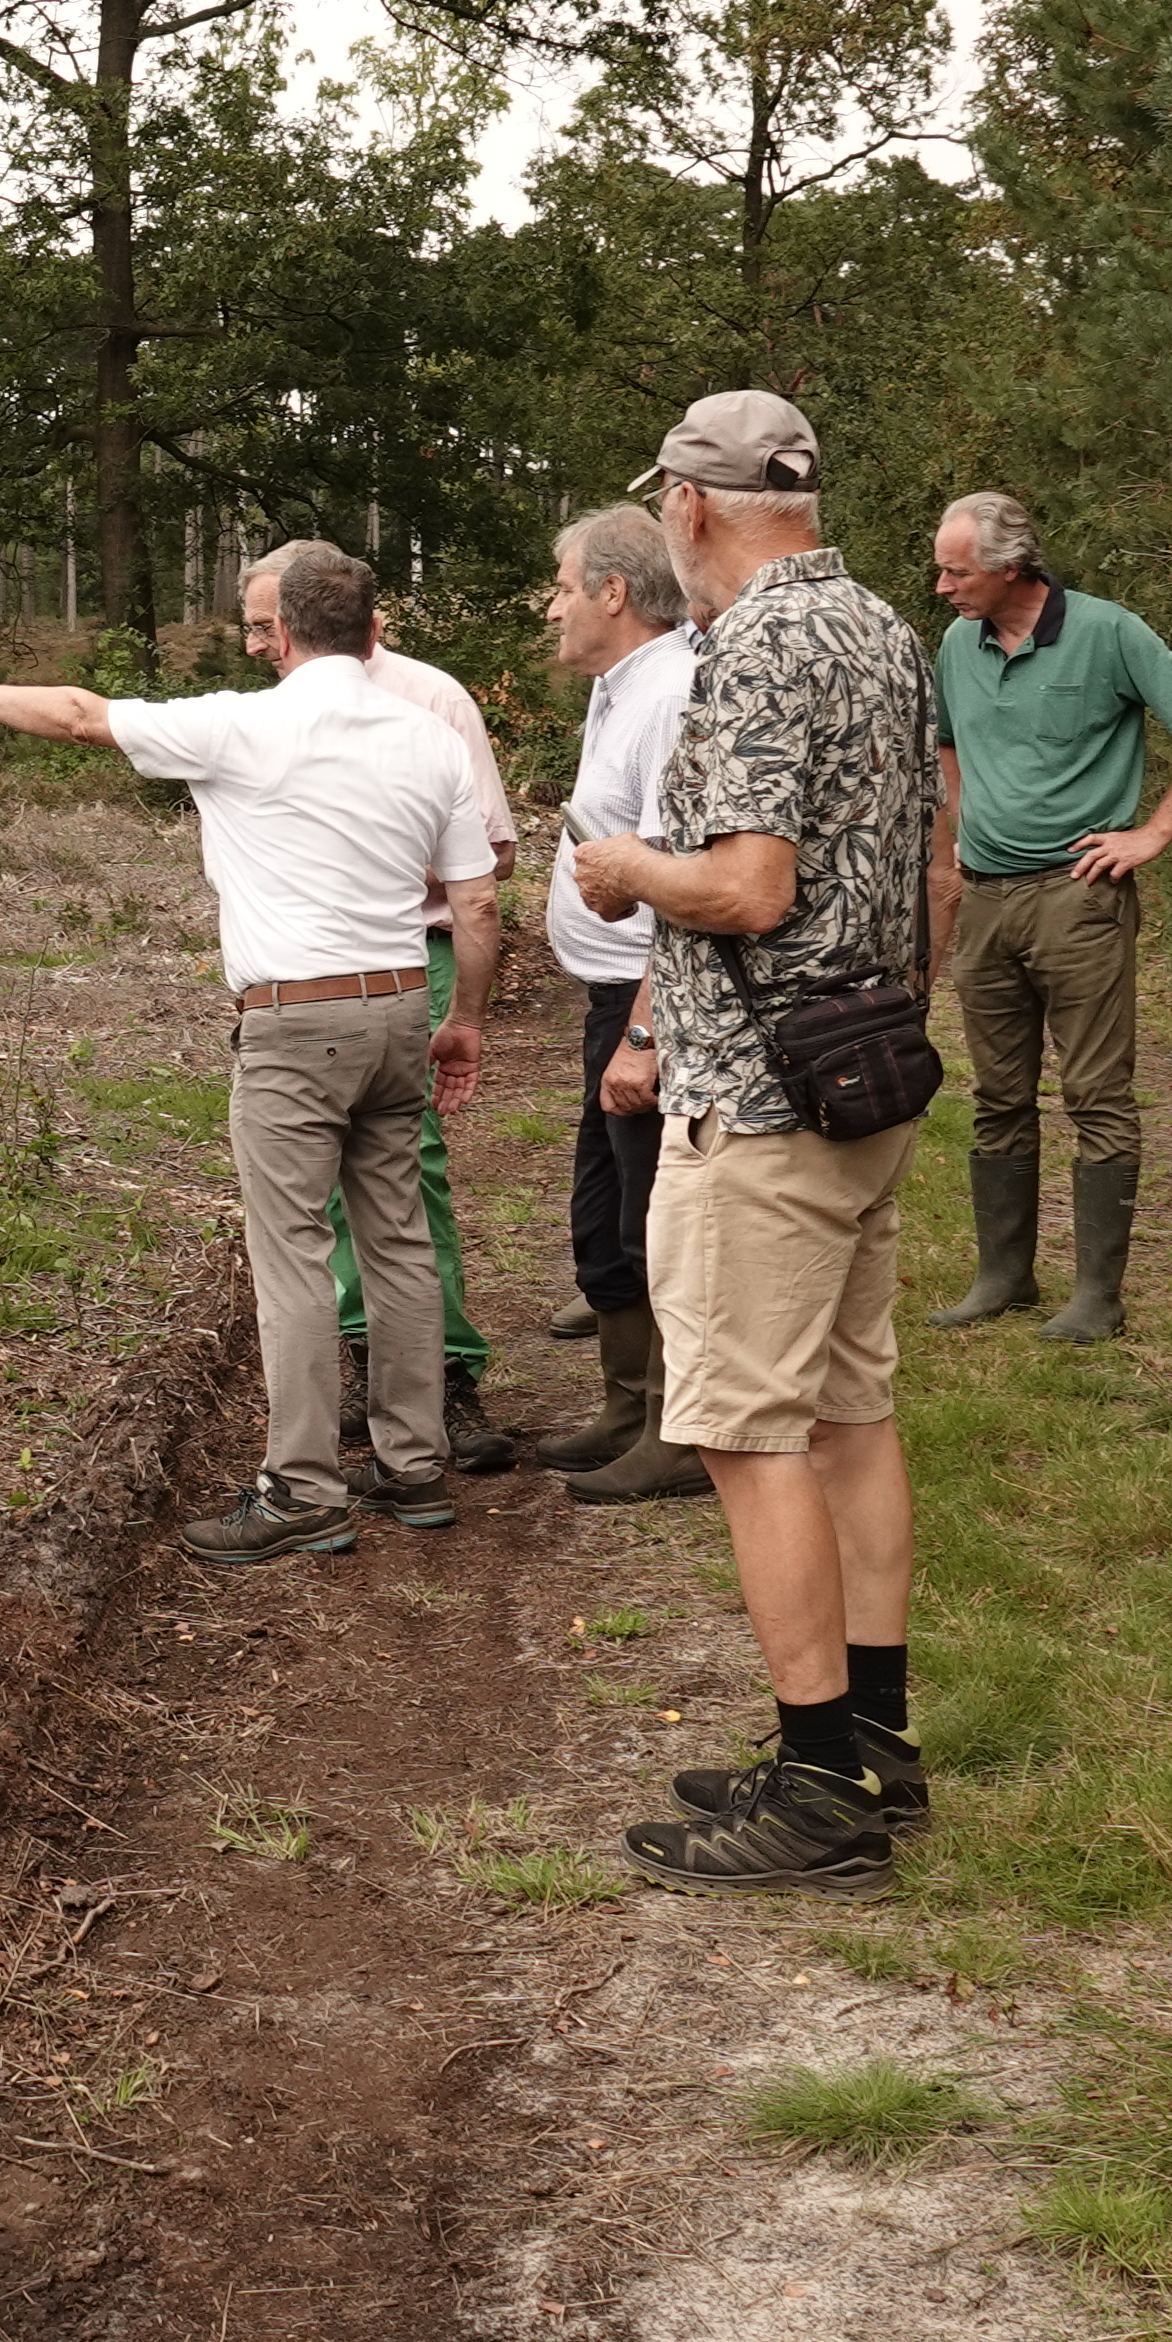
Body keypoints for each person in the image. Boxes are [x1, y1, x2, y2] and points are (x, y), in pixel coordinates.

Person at [0, 542, 500, 1565]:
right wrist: (466, 1018)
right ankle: (416, 1466)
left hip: (295, 1022)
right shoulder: (429, 736)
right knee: (397, 1241)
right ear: (370, 627)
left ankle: (301, 1489)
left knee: (294, 1256)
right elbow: (478, 900)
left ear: (288, 631)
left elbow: (84, 716)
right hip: (402, 1003)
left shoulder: (240, 725)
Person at [565, 394, 937, 1894]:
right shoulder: (880, 630)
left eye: (663, 502)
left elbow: (752, 888)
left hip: (767, 1099)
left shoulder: (759, 649)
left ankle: (817, 1789)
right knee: (850, 1413)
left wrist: (623, 868)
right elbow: (935, 851)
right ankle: (873, 1743)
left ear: (695, 507)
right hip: (866, 1076)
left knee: (743, 1429)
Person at [922, 491, 1172, 1346]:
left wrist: (1155, 831)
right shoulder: (958, 642)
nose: (943, 585)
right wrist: (958, 840)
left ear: (1010, 565)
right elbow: (948, 740)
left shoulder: (1108, 632)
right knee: (996, 1093)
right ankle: (1004, 1277)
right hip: (986, 898)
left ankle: (1098, 1296)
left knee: (1096, 1094)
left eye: (957, 570)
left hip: (1078, 897)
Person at [512, 506, 710, 1502]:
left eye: (562, 585)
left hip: (651, 1006)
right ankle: (630, 1405)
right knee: (605, 1217)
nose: (552, 606)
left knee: (653, 1218)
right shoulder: (618, 685)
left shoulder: (671, 691)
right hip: (611, 999)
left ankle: (682, 1431)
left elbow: (681, 880)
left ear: (614, 593)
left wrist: (644, 1034)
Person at [324, 606, 521, 1472]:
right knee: (327, 1167)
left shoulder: (429, 697)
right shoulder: (285, 701)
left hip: (415, 949)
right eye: (252, 626)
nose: (257, 643)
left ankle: (446, 1372)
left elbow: (494, 852)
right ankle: (371, 1364)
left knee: (408, 1163)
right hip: (314, 963)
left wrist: (370, 857)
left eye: (265, 624)